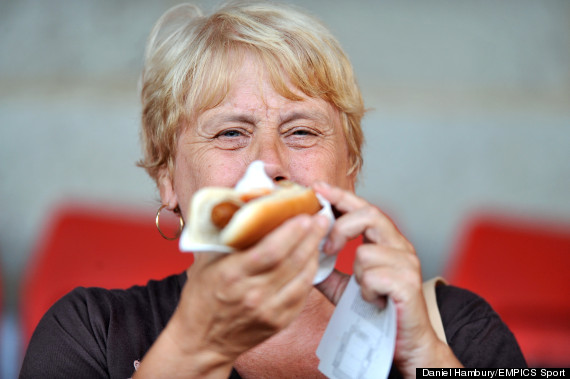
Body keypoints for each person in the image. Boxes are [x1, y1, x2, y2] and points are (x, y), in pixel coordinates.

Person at [20, 1, 526, 378]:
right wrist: (196, 347)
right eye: (230, 133)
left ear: (350, 168)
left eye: (301, 131)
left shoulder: (458, 326)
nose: (269, 164)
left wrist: (426, 358)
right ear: (167, 179)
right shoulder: (89, 329)